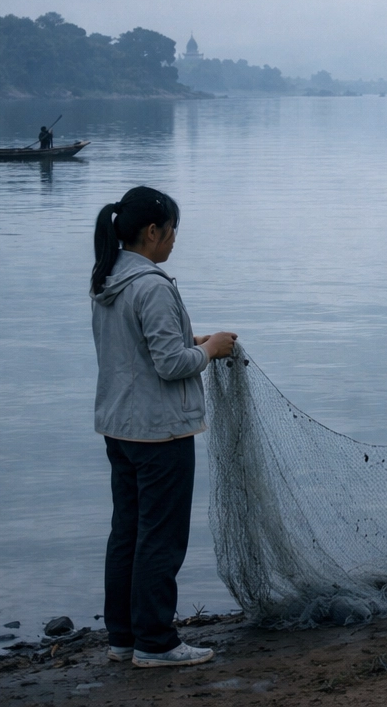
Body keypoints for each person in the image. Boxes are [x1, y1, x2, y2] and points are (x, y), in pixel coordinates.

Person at [90, 186, 238, 667]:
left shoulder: (107, 278)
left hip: (120, 429)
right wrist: (211, 349)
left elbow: (138, 349)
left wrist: (191, 339)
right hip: (160, 433)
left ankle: (123, 637)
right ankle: (156, 642)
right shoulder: (152, 285)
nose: (174, 240)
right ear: (152, 232)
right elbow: (171, 364)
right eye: (172, 231)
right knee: (161, 538)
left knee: (127, 533)